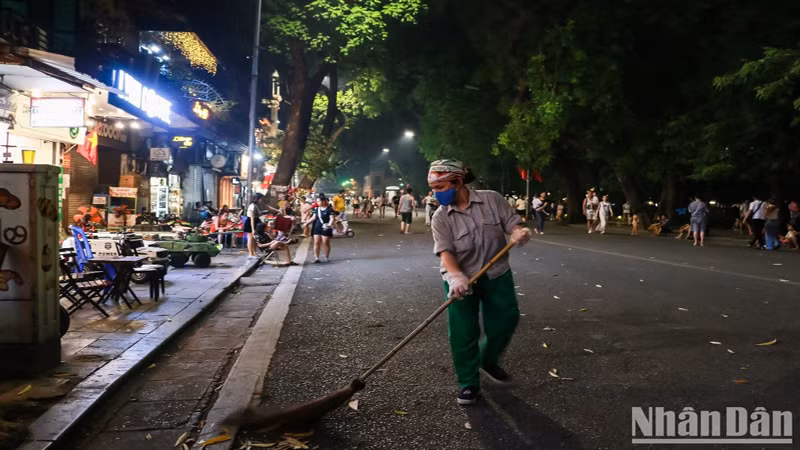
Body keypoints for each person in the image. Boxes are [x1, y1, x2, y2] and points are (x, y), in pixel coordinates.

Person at [428, 159, 532, 406]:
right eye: (433, 188)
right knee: (464, 332)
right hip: (459, 280)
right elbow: (446, 252)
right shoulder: (440, 217)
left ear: (459, 181)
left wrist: (518, 232)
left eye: (441, 187)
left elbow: (512, 224)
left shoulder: (492, 200)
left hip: (497, 273)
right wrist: (455, 276)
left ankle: (487, 359)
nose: (436, 193)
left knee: (506, 320)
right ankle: (468, 382)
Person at [304, 194, 334, 263]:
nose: (317, 203)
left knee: (326, 242)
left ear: (323, 201)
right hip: (317, 227)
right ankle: (316, 257)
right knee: (316, 242)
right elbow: (313, 217)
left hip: (326, 227)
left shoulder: (329, 209)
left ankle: (326, 257)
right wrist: (307, 223)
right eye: (317, 201)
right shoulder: (317, 209)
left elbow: (332, 219)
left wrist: (329, 225)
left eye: (319, 201)